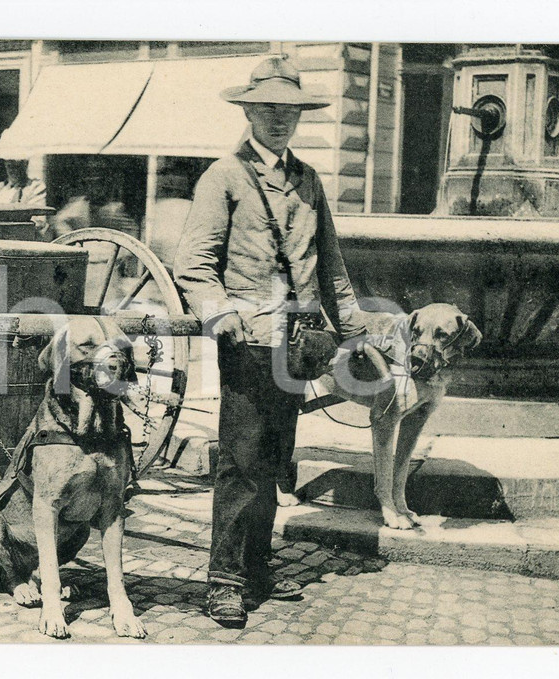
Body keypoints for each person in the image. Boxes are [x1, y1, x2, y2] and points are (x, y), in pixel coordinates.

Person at [173, 56, 366, 627]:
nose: (279, 119)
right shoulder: (223, 177)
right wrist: (220, 314)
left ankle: (257, 569)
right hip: (249, 341)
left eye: (290, 111)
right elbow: (194, 264)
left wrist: (354, 331)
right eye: (268, 109)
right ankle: (225, 581)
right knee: (241, 463)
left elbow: (330, 265)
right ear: (249, 111)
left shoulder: (308, 180)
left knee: (276, 462)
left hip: (299, 345)